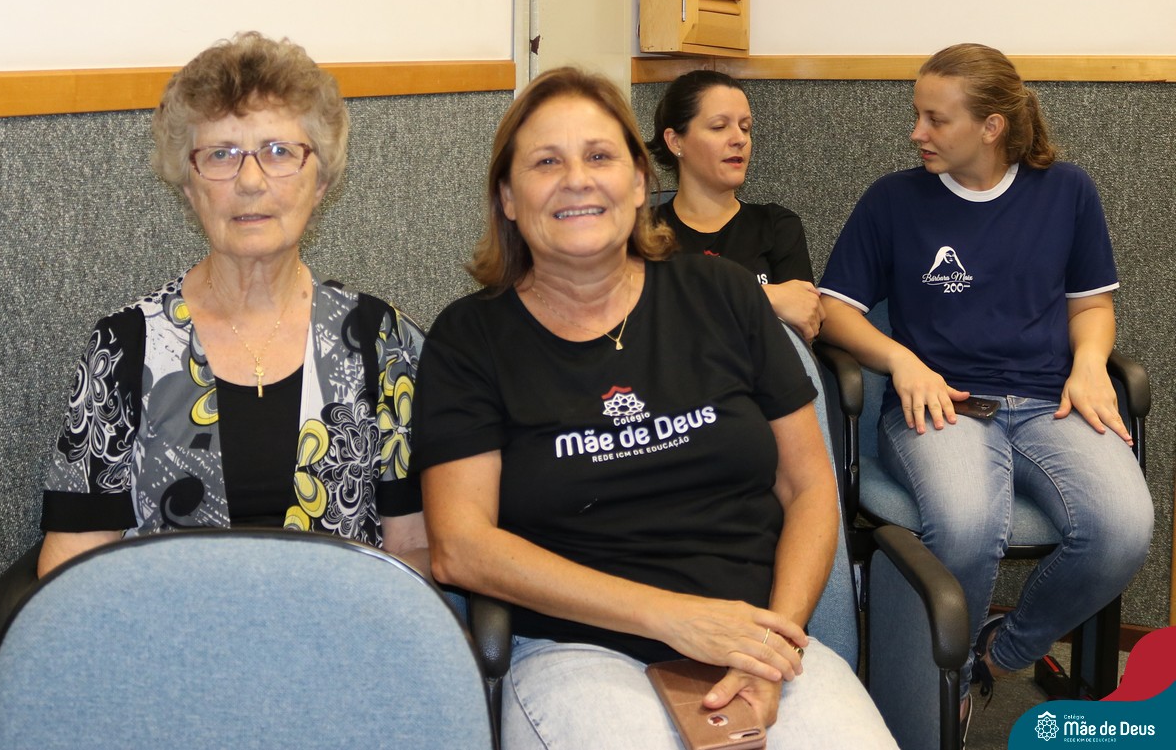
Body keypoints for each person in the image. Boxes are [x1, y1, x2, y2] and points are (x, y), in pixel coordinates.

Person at [412, 67, 897, 749]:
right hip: (581, 650)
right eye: (546, 162)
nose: (577, 179)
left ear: (641, 182)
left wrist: (775, 640)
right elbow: (461, 547)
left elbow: (809, 486)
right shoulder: (471, 338)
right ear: (508, 198)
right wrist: (674, 618)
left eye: (599, 156)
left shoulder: (725, 294)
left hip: (758, 635)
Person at [817, 44, 1153, 728]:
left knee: (1123, 527)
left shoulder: (1067, 191)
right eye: (917, 114)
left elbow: (1091, 305)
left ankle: (990, 658)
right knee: (968, 524)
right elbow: (834, 312)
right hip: (942, 402)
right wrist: (902, 361)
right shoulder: (893, 200)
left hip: (1047, 401)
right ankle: (942, 694)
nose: (917, 131)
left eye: (936, 119)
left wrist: (1091, 363)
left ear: (992, 126)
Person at [38, 32, 428, 577]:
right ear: (189, 185)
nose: (249, 181)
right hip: (171, 626)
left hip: (340, 624)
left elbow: (414, 549)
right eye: (220, 154)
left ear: (320, 181)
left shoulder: (381, 341)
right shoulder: (127, 346)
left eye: (279, 152)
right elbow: (71, 565)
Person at [648, 71, 824, 341]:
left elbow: (803, 321)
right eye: (719, 127)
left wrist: (697, 304)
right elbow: (645, 320)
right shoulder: (642, 231)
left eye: (745, 127)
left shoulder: (777, 225)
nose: (739, 139)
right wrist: (764, 297)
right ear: (675, 141)